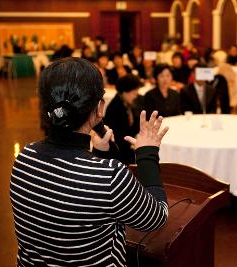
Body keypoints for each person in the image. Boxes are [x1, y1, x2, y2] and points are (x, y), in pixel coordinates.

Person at [10, 57, 169, 266]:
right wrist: (147, 153)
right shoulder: (110, 176)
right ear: (99, 108)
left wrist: (99, 154)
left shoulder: (24, 158)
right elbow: (156, 218)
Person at [104, 74, 141, 164]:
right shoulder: (115, 108)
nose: (136, 95)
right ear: (125, 91)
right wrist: (132, 144)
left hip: (128, 145)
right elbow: (116, 138)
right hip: (119, 154)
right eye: (134, 92)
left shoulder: (127, 103)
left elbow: (135, 126)